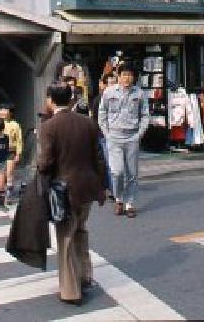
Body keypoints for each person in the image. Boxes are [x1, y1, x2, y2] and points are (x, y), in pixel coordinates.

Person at [38, 83, 106, 306]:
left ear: (50, 100)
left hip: (63, 190)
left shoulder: (49, 127)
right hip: (87, 186)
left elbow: (46, 161)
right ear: (70, 100)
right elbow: (99, 158)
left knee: (65, 237)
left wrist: (39, 171)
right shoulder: (88, 123)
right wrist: (102, 186)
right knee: (81, 231)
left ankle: (70, 290)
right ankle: (85, 276)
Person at [98, 64, 149, 219]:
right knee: (117, 171)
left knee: (132, 174)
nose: (127, 78)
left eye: (130, 75)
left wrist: (139, 134)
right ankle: (119, 199)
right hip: (114, 137)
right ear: (118, 76)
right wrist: (106, 133)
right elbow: (102, 113)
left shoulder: (139, 94)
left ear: (134, 77)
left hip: (132, 137)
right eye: (124, 74)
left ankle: (130, 204)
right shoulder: (109, 92)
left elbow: (145, 115)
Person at [91, 73, 117, 201]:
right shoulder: (98, 100)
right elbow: (95, 119)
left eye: (114, 82)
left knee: (113, 164)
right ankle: (113, 190)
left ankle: (111, 187)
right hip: (104, 135)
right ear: (105, 85)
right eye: (110, 83)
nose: (113, 85)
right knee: (110, 163)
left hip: (118, 135)